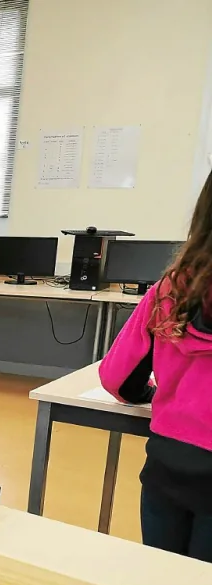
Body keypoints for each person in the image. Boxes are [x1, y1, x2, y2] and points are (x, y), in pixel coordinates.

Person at [99, 169, 212, 562]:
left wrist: (149, 393)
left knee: (163, 580)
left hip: (168, 467)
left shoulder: (170, 290)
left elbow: (117, 377)